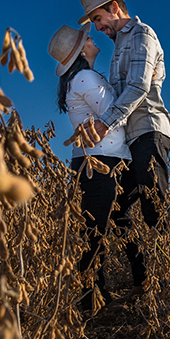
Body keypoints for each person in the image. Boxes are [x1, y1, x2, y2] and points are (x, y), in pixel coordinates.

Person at [71, 0, 170, 291]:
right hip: (132, 140)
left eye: (98, 18)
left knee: (155, 209)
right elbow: (117, 93)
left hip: (149, 132)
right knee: (119, 214)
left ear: (115, 8)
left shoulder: (142, 34)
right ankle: (145, 281)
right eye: (93, 22)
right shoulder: (119, 45)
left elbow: (138, 88)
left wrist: (105, 124)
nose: (97, 27)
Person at [48, 22, 129, 312]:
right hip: (99, 162)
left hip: (95, 160)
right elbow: (116, 113)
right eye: (87, 38)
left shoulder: (85, 76)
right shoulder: (84, 78)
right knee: (97, 230)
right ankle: (90, 300)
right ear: (81, 50)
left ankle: (97, 296)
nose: (92, 38)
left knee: (102, 227)